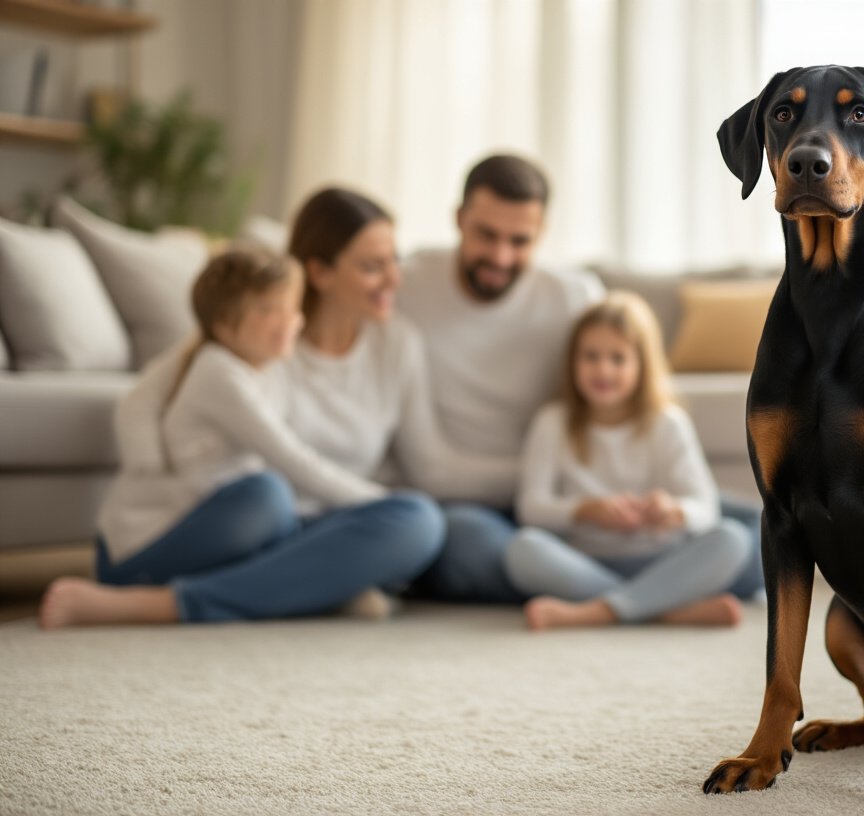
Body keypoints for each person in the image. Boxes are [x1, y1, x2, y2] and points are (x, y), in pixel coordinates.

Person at [398, 153, 764, 603]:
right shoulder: (409, 287)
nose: (500, 255)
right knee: (461, 540)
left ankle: (595, 596)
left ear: (541, 234)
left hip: (591, 492)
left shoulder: (573, 295)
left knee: (764, 536)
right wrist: (571, 488)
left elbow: (624, 384)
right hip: (499, 502)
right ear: (459, 219)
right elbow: (431, 469)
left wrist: (635, 500)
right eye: (486, 235)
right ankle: (662, 599)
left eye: (519, 240)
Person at [39, 247, 442, 627]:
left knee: (418, 520)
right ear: (222, 326)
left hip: (235, 529)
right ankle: (166, 604)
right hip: (141, 553)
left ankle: (316, 589)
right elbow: (290, 458)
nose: (288, 321)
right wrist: (377, 502)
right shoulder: (218, 371)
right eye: (268, 310)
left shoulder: (265, 366)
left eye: (291, 308)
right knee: (268, 496)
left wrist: (385, 513)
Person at [507, 293, 747, 629]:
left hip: (661, 559)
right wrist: (585, 510)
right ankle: (668, 610)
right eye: (591, 356)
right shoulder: (553, 422)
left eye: (618, 358)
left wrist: (673, 512)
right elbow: (531, 509)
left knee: (733, 538)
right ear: (572, 362)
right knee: (522, 549)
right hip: (585, 561)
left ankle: (592, 613)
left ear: (642, 365)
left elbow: (705, 509)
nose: (603, 369)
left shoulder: (668, 422)